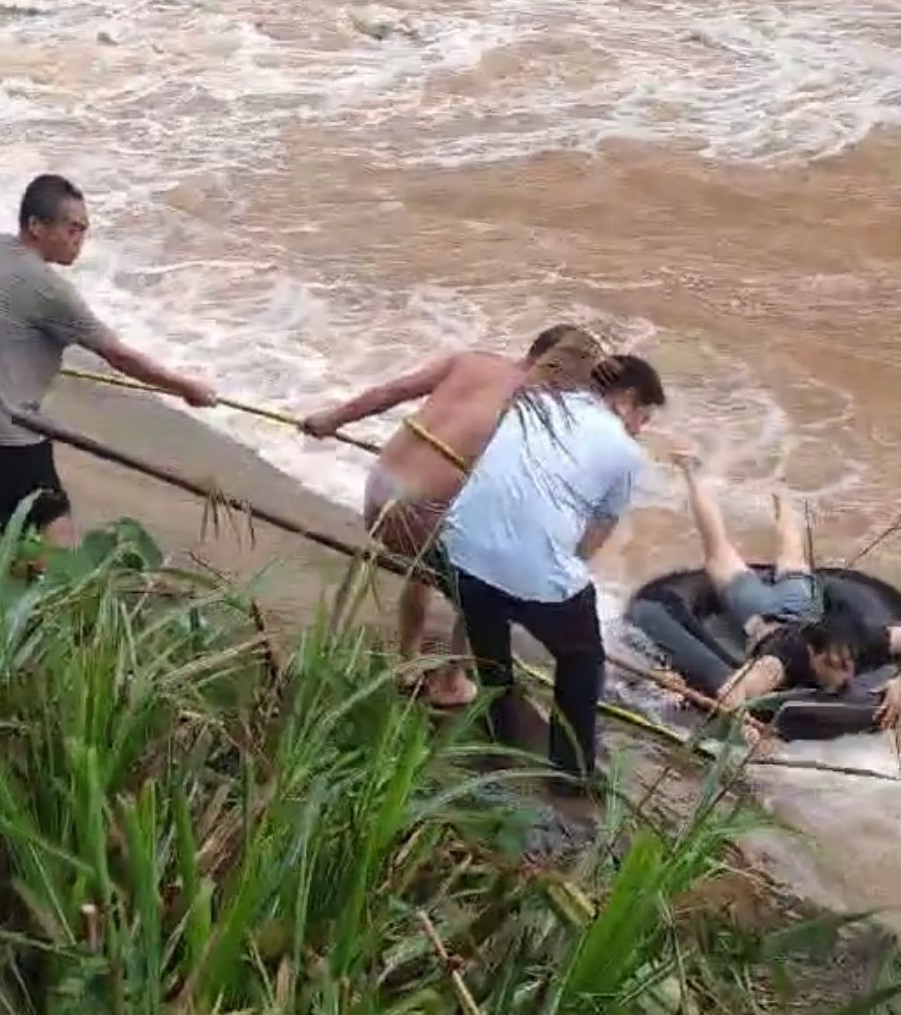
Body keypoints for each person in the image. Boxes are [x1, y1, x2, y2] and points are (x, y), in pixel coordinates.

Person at [300, 324, 601, 707]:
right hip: (414, 516)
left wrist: (332, 420)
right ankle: (450, 681)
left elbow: (388, 393)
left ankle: (407, 661)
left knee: (435, 557)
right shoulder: (532, 410)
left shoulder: (471, 361)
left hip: (377, 494)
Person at [0, 173, 216, 547]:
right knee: (58, 532)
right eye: (72, 229)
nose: (79, 241)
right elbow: (117, 355)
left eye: (84, 231)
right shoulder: (44, 285)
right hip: (8, 433)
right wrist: (186, 388)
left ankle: (11, 586)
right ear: (36, 226)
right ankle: (45, 600)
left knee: (17, 527)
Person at [441, 354, 667, 794]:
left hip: (459, 549)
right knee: (583, 659)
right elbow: (595, 535)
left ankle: (498, 738)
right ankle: (570, 772)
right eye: (644, 417)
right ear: (627, 401)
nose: (641, 428)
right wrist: (559, 571)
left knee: (492, 654)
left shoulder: (533, 403)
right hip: (527, 568)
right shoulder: (624, 451)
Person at [640, 453, 901, 738]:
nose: (844, 677)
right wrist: (747, 729)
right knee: (718, 551)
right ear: (813, 653)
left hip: (802, 603)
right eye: (834, 665)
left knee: (792, 551)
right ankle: (692, 472)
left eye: (848, 665)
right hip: (761, 613)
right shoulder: (782, 662)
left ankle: (779, 484)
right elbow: (732, 690)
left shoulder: (863, 639)